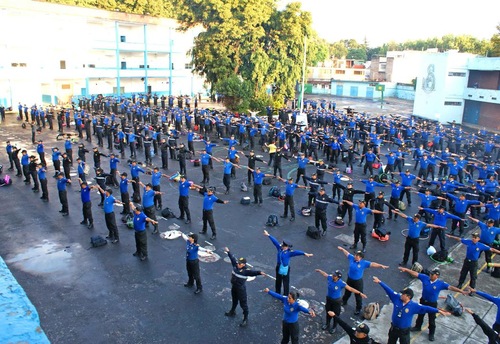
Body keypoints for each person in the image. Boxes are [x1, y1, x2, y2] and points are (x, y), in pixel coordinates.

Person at [372, 276, 450, 344]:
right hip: (394, 329)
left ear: (408, 296)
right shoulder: (397, 299)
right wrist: (380, 282)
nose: (401, 295)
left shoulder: (413, 306)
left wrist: (438, 311)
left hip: (404, 331)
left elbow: (425, 308)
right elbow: (389, 290)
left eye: (403, 294)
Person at [398, 267, 465, 341]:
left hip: (432, 303)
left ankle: (431, 333)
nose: (430, 275)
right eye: (430, 274)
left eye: (432, 274)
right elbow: (416, 274)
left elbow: (451, 287)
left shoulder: (440, 284)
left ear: (437, 276)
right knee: (420, 315)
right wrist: (406, 270)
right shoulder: (425, 278)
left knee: (432, 319)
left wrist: (461, 291)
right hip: (423, 301)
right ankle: (418, 327)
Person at [338, 246, 388, 315]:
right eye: (355, 255)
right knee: (347, 291)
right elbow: (347, 253)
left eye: (357, 256)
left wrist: (380, 266)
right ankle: (344, 301)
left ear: (360, 258)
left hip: (357, 282)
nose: (355, 256)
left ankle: (358, 308)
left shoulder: (364, 263)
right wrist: (342, 249)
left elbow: (372, 264)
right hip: (350, 279)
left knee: (358, 295)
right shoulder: (352, 258)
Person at [223, 247, 266, 327]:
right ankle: (232, 311)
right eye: (238, 263)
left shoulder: (246, 271)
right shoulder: (235, 266)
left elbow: (253, 272)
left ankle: (245, 318)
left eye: (239, 263)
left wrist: (260, 272)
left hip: (241, 289)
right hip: (234, 287)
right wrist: (228, 252)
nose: (238, 264)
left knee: (243, 304)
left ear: (243, 264)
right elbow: (232, 259)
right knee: (234, 300)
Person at [315, 269, 366, 334]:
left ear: (338, 277)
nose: (333, 276)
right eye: (333, 274)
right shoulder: (330, 277)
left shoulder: (341, 283)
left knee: (335, 315)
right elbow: (325, 274)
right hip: (329, 299)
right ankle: (327, 324)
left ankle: (334, 327)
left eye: (335, 275)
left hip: (336, 301)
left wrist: (359, 293)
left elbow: (350, 288)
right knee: (328, 312)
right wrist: (320, 271)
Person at [263, 230, 313, 296]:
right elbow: (275, 242)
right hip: (279, 266)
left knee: (285, 282)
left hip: (285, 268)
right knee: (278, 280)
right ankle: (277, 293)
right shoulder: (280, 249)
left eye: (283, 245)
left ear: (286, 246)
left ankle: (286, 295)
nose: (282, 246)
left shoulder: (289, 252)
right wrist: (268, 235)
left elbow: (297, 252)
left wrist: (304, 253)